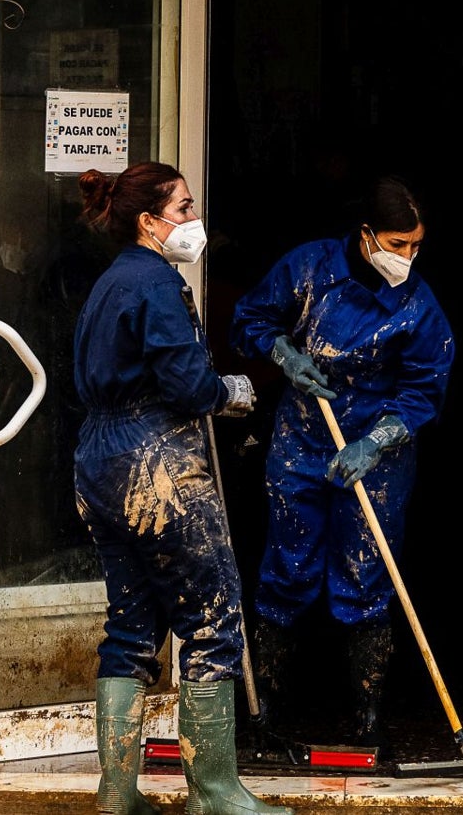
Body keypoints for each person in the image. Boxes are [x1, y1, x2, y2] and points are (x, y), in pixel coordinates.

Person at [72, 162, 290, 815]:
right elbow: (189, 387)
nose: (195, 220)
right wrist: (234, 388)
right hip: (155, 460)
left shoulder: (108, 283)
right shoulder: (158, 284)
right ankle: (216, 790)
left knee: (131, 625)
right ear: (149, 219)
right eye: (185, 206)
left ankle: (117, 792)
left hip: (98, 459)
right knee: (212, 617)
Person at [230, 175, 454, 753]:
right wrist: (284, 354)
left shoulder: (418, 306)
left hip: (376, 453)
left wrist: (375, 443)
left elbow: (424, 391)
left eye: (416, 245)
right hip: (301, 437)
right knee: (287, 568)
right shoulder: (309, 269)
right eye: (397, 243)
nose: (407, 256)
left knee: (367, 575)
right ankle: (265, 714)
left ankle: (368, 720)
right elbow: (251, 318)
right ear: (366, 236)